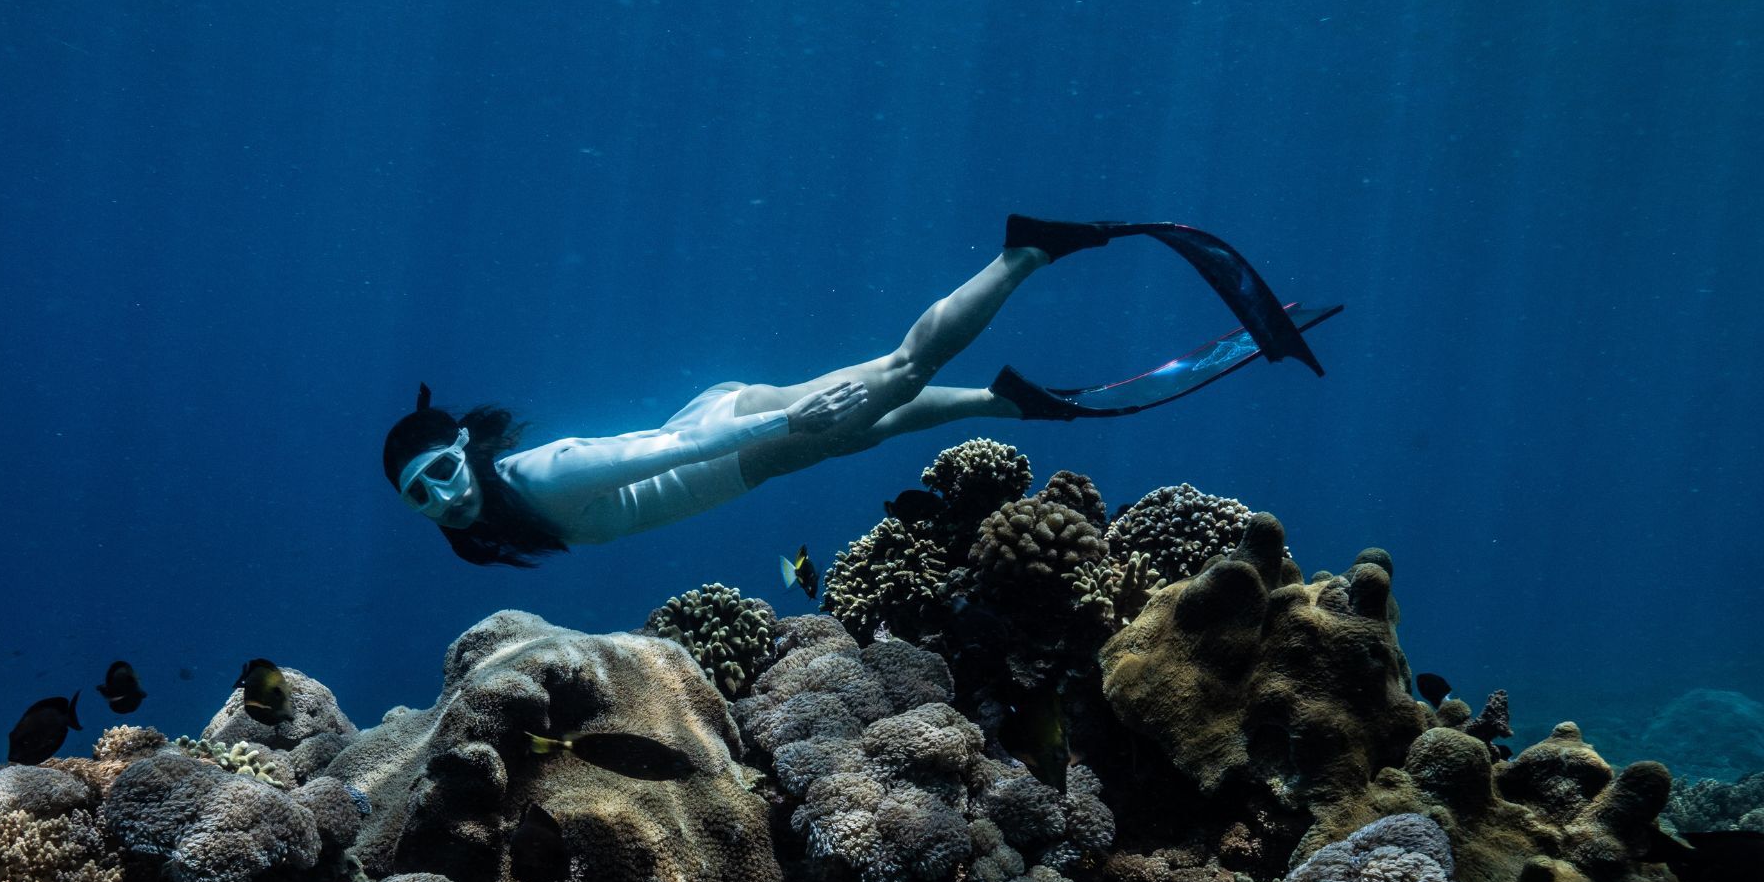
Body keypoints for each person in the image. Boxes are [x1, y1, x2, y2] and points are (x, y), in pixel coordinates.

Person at [384, 214, 1340, 566]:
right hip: (727, 437)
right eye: (419, 498)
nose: (440, 498)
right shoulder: (498, 514)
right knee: (871, 427)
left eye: (436, 471)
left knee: (896, 373)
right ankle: (1005, 402)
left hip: (727, 444)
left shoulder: (540, 473)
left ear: (462, 446)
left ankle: (1026, 251)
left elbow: (665, 455)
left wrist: (792, 420)